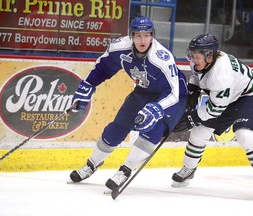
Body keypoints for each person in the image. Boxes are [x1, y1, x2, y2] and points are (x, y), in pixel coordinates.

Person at [68, 17, 188, 192]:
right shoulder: (119, 48)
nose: (142, 40)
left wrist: (156, 108)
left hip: (171, 98)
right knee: (116, 129)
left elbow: (172, 93)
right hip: (143, 92)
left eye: (146, 35)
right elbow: (103, 68)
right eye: (138, 35)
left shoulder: (161, 57)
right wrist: (88, 85)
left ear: (152, 36)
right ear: (131, 36)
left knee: (152, 131)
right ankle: (91, 164)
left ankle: (125, 171)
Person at [172, 33, 253, 201]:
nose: (193, 59)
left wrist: (190, 119)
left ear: (209, 56)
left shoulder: (221, 74)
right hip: (227, 95)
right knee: (199, 132)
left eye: (196, 56)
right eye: (192, 55)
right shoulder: (202, 59)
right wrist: (193, 88)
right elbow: (197, 75)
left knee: (246, 135)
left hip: (247, 96)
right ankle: (189, 169)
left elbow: (214, 109)